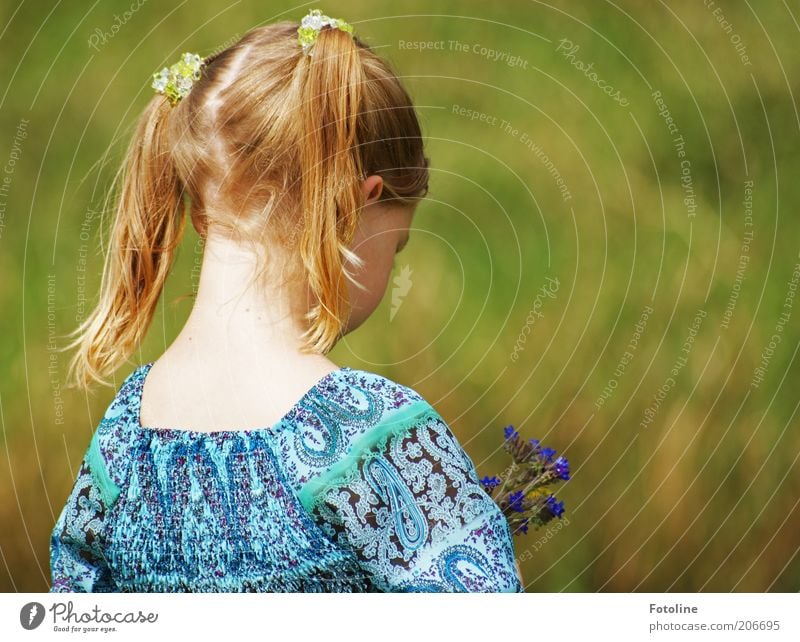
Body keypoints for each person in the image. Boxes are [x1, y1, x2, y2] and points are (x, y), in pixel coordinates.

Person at [50, 10, 523, 593]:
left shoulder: (123, 436)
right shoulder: (373, 439)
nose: (393, 266)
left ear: (201, 209)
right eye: (396, 247)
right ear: (354, 205)